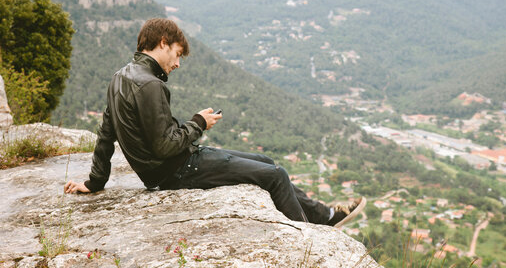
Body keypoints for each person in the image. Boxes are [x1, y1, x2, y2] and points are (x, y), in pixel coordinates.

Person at [64, 18, 364, 226]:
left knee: (265, 160)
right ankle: (312, 241)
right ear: (163, 43)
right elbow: (165, 145)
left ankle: (325, 215)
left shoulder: (120, 77)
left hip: (169, 169)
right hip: (180, 170)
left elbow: (106, 134)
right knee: (276, 175)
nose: (177, 63)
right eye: (177, 54)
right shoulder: (152, 85)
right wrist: (198, 122)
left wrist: (94, 182)